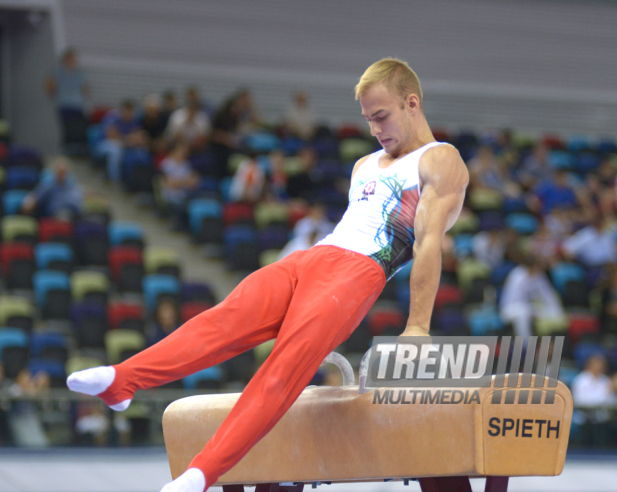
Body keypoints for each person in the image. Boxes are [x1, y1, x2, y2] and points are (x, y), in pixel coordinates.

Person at [66, 58, 469, 492]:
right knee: (222, 321)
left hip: (358, 272)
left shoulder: (440, 159)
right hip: (310, 258)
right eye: (368, 120)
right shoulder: (364, 166)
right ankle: (124, 380)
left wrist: (418, 326)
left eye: (382, 117)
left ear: (412, 103)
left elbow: (427, 243)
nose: (375, 130)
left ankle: (203, 472)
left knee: (284, 368)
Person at [44, 47, 90, 155]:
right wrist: (54, 94)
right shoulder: (58, 72)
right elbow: (49, 85)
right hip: (64, 104)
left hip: (77, 104)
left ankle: (79, 150)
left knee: (79, 127)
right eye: (71, 59)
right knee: (67, 128)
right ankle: (67, 150)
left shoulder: (79, 73)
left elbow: (85, 88)